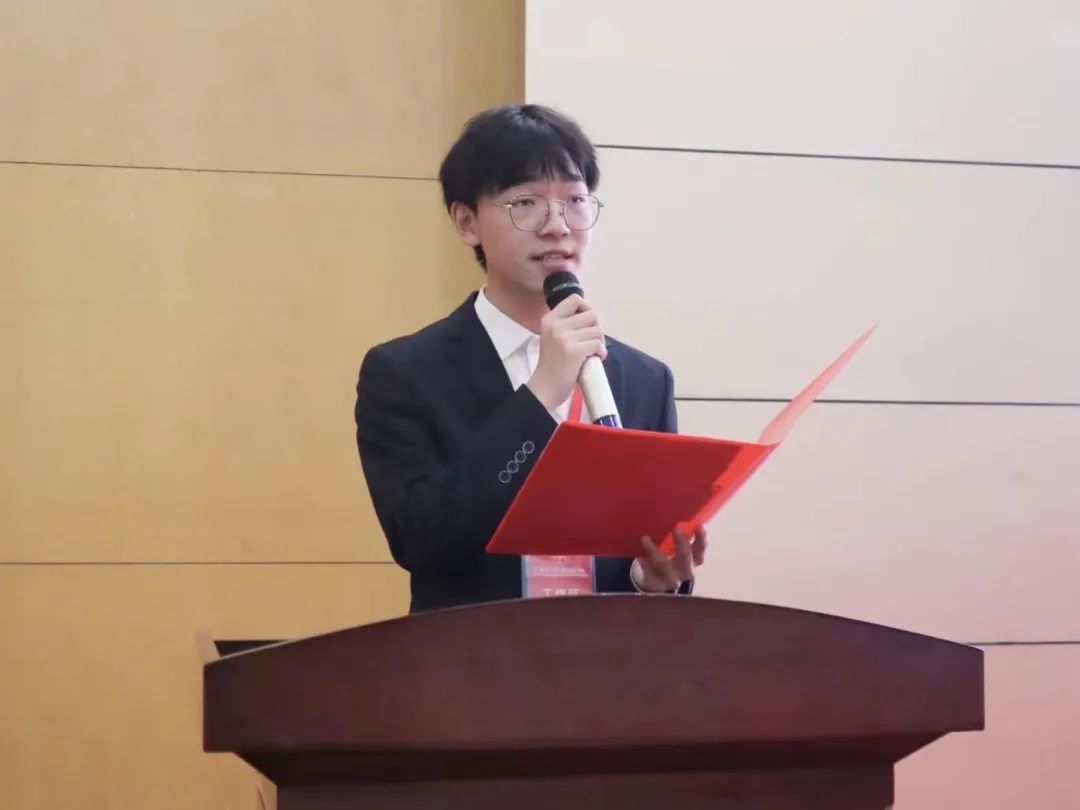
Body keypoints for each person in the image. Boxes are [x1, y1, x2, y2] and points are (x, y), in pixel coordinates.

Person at [354, 104, 707, 613]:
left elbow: (650, 545)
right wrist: (540, 396)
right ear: (467, 221)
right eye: (527, 203)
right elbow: (421, 539)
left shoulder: (644, 378)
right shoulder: (406, 373)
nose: (558, 226)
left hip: (613, 656)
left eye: (575, 201)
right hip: (472, 657)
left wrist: (652, 578)